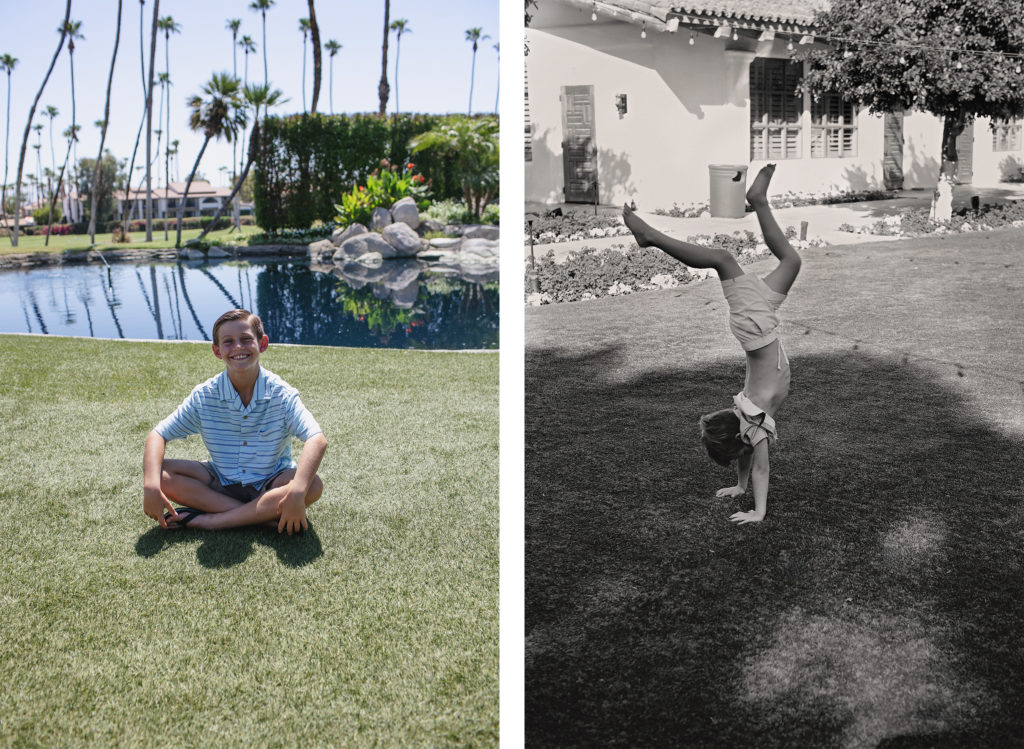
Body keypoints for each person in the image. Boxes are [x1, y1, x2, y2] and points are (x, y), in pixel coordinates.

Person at [622, 164, 800, 524]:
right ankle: (759, 201)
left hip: (756, 328)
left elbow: (757, 463)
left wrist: (757, 511)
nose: (746, 455)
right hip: (758, 325)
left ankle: (651, 236)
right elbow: (753, 463)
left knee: (722, 259)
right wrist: (742, 491)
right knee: (791, 261)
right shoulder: (750, 422)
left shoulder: (750, 420)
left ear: (740, 435)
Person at [142, 309, 328, 535]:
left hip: (272, 483)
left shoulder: (282, 394)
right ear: (217, 351)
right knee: (160, 473)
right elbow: (157, 435)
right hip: (221, 483)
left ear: (263, 344)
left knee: (312, 485)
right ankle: (258, 518)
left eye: (246, 339)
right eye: (228, 342)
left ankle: (211, 521)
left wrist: (297, 492)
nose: (238, 347)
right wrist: (151, 485)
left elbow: (317, 439)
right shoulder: (203, 396)